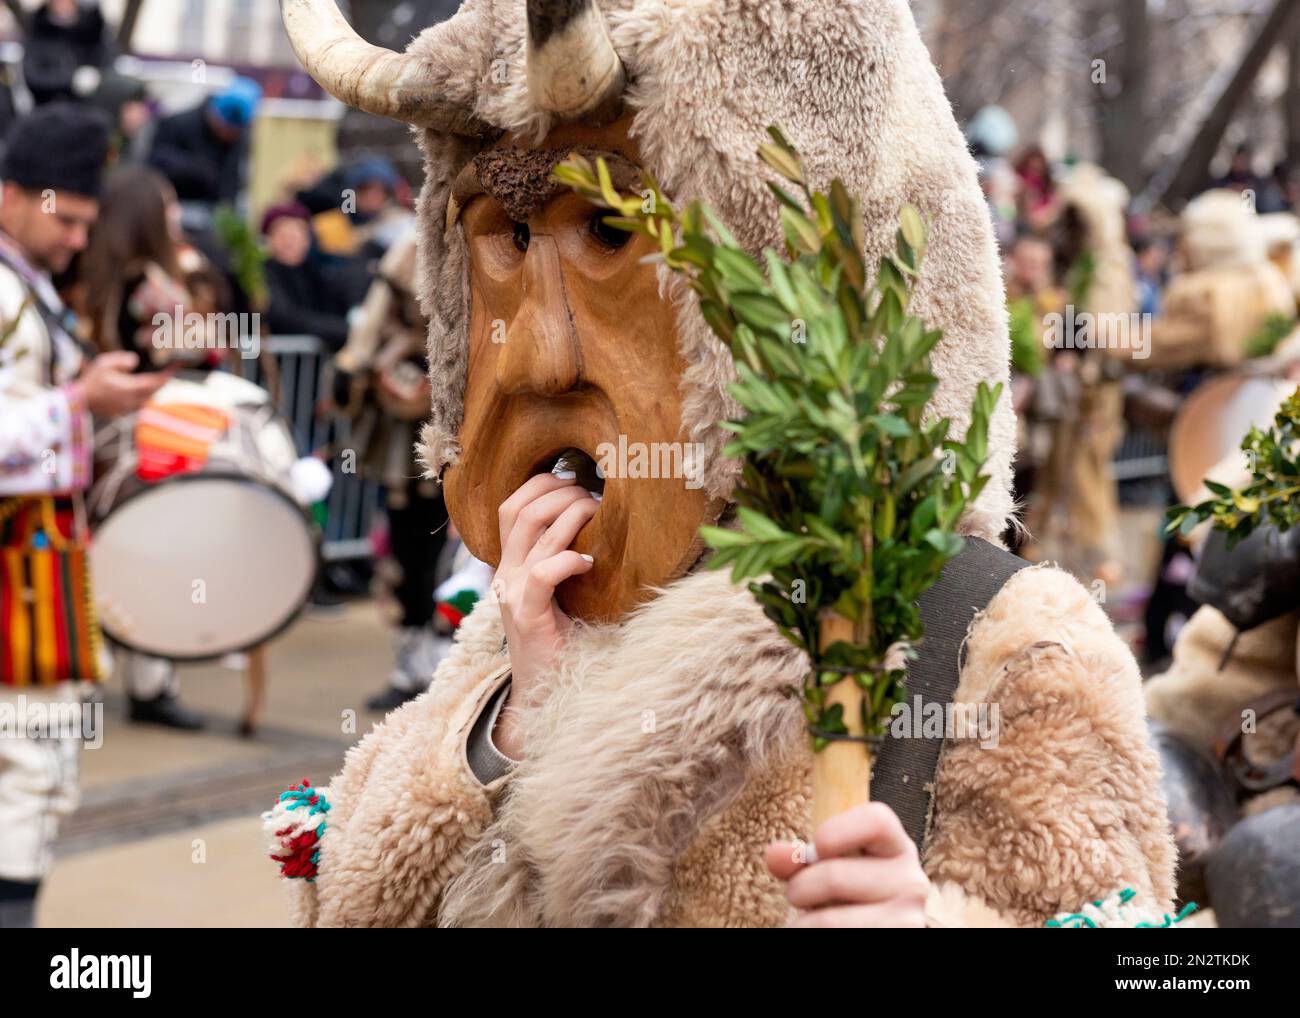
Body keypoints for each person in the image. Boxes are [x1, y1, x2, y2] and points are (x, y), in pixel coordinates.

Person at [266, 0, 1176, 929]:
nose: (540, 358)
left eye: (611, 234)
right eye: (510, 240)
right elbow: (348, 909)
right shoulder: (528, 614)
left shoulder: (1005, 643)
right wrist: (510, 730)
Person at [0, 104, 169, 927]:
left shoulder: (26, 289)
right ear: (11, 196)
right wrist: (82, 399)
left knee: (40, 759)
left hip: (36, 556)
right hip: (13, 563)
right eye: (64, 218)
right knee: (26, 762)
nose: (76, 240)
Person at [77, 165, 207, 730]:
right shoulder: (156, 282)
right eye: (169, 203)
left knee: (97, 554)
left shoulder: (89, 272)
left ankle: (81, 675)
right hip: (150, 436)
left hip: (93, 435)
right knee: (153, 555)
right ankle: (152, 685)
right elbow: (194, 345)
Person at [330, 226, 451, 710]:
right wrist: (360, 368)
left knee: (452, 555)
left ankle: (445, 666)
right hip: (407, 433)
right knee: (406, 554)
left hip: (457, 422)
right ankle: (411, 667)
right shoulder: (409, 246)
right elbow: (365, 336)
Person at [148, 76, 261, 214]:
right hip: (173, 207)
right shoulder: (177, 125)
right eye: (224, 129)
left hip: (212, 216)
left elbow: (232, 182)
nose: (226, 135)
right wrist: (194, 169)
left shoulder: (237, 141)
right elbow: (154, 165)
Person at [261, 202, 350, 352]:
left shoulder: (317, 274)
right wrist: (343, 330)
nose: (289, 242)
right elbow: (284, 317)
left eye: (296, 235)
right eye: (283, 235)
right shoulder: (262, 274)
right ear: (269, 239)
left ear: (307, 241)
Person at [21, 0, 112, 107]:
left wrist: (94, 78)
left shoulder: (90, 33)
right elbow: (32, 76)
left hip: (85, 107)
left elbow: (107, 64)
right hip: (47, 107)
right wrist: (71, 80)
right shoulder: (38, 32)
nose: (63, 5)